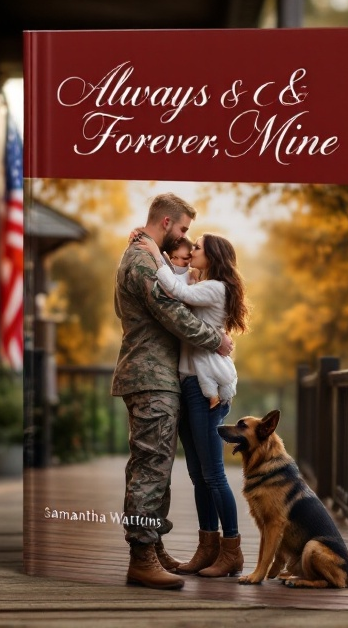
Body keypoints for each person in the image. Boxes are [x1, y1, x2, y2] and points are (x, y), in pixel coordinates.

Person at [112, 193, 233, 591]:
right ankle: (142, 557)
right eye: (182, 229)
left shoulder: (151, 257)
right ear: (166, 223)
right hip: (150, 377)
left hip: (158, 376)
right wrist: (214, 339)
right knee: (150, 468)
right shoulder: (143, 259)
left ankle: (152, 545)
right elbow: (171, 310)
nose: (185, 237)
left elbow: (173, 288)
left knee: (156, 466)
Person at [136, 232, 250, 578]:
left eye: (196, 248)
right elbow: (178, 277)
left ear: (212, 257)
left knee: (213, 473)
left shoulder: (215, 288)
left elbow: (176, 290)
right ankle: (208, 547)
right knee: (199, 475)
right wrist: (168, 259)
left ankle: (231, 550)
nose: (191, 251)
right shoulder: (203, 282)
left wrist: (154, 251)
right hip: (189, 387)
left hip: (205, 391)